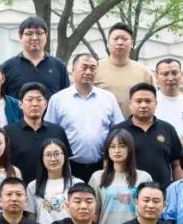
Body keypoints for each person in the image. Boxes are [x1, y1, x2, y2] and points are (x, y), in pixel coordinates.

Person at [45, 54, 124, 183]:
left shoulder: (108, 98)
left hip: (102, 166)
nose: (88, 72)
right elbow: (50, 133)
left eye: (92, 68)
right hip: (68, 166)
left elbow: (118, 131)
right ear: (73, 70)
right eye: (84, 67)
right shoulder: (58, 99)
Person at [109, 82, 183, 189]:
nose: (143, 105)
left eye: (148, 101)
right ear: (130, 104)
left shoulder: (168, 129)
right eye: (138, 101)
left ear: (156, 104)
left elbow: (177, 164)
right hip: (128, 193)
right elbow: (108, 163)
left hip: (162, 192)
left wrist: (179, 189)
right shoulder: (118, 131)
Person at [4, 82, 71, 184]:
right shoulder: (8, 132)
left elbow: (66, 163)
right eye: (29, 100)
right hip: (19, 188)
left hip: (51, 188)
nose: (34, 104)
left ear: (45, 104)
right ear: (20, 104)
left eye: (39, 100)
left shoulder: (58, 131)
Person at [88, 129, 152, 224]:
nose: (117, 150)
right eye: (112, 146)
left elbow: (148, 210)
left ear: (129, 149)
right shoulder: (97, 177)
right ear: (107, 150)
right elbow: (94, 212)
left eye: (122, 146)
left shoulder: (143, 177)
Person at [0, 16, 70, 99]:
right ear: (20, 36)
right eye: (29, 34)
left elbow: (65, 99)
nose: (34, 38)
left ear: (46, 36)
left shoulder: (58, 66)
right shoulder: (7, 67)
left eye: (39, 33)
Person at [95, 23, 156, 117]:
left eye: (124, 39)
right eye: (115, 39)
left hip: (135, 124)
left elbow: (152, 102)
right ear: (108, 43)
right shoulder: (95, 69)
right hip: (103, 123)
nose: (120, 42)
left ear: (132, 43)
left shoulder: (144, 72)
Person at [25, 138, 80, 224]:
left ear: (65, 156)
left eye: (57, 154)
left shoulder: (76, 184)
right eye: (48, 155)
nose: (53, 159)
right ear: (42, 158)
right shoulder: (33, 186)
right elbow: (31, 218)